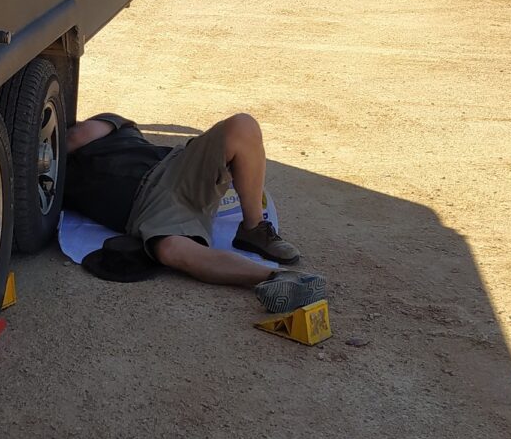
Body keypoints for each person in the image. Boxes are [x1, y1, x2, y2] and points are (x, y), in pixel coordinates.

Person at [64, 113, 326, 313]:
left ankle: (254, 227)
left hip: (173, 170)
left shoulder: (111, 126)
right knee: (171, 251)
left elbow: (76, 136)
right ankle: (278, 278)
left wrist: (41, 154)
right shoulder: (52, 186)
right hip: (150, 212)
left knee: (242, 126)